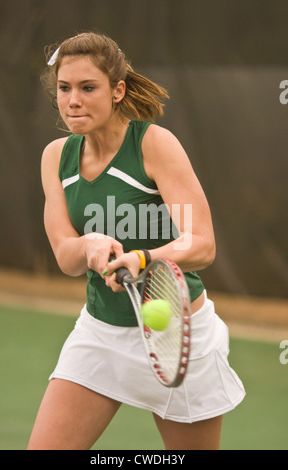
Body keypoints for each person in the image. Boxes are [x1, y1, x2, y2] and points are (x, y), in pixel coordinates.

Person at [28, 32, 245, 450]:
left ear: (117, 91)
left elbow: (202, 244)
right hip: (101, 332)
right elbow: (65, 256)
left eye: (88, 88)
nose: (73, 100)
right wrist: (90, 245)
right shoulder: (56, 157)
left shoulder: (153, 145)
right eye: (64, 88)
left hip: (177, 333)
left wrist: (142, 259)